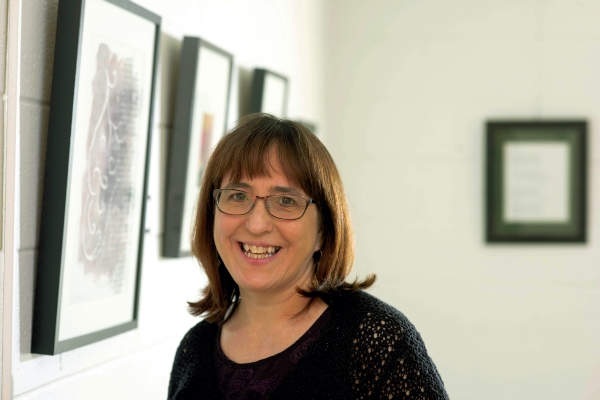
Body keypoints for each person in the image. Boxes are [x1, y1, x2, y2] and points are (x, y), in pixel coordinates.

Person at [168, 114, 448, 399]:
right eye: (238, 196)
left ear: (323, 230)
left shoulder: (376, 340)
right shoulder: (194, 349)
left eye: (285, 201)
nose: (256, 225)